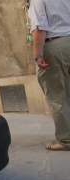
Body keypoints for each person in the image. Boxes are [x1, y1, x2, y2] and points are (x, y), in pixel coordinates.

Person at [28, 0, 70, 151]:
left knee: (57, 95)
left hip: (55, 45)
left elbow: (40, 29)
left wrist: (37, 56)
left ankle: (66, 140)